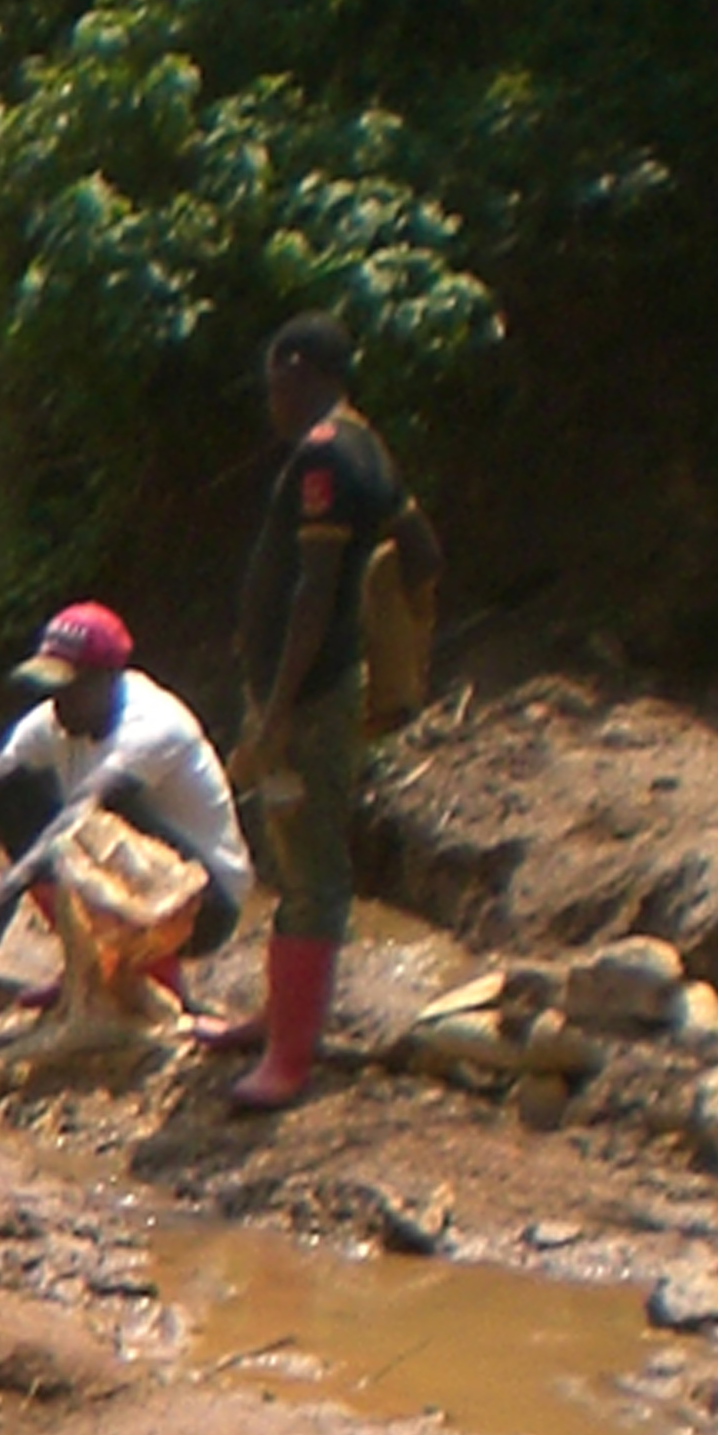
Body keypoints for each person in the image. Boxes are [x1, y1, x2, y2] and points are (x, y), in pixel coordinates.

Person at [228, 322, 407, 1115]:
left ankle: (289, 1058)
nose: (268, 400)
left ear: (297, 371)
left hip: (306, 694)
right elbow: (419, 550)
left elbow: (314, 589)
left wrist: (273, 709)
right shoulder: (368, 446)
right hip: (320, 685)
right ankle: (278, 1022)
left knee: (311, 869)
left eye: (272, 381)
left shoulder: (325, 456)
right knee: (288, 848)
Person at [0, 605, 252, 986]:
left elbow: (82, 812)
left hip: (207, 903)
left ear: (107, 678)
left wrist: (9, 887)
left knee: (105, 817)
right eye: (51, 688)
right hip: (143, 882)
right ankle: (90, 965)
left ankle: (152, 979)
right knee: (9, 793)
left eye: (69, 687)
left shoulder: (154, 725)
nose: (56, 701)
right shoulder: (55, 720)